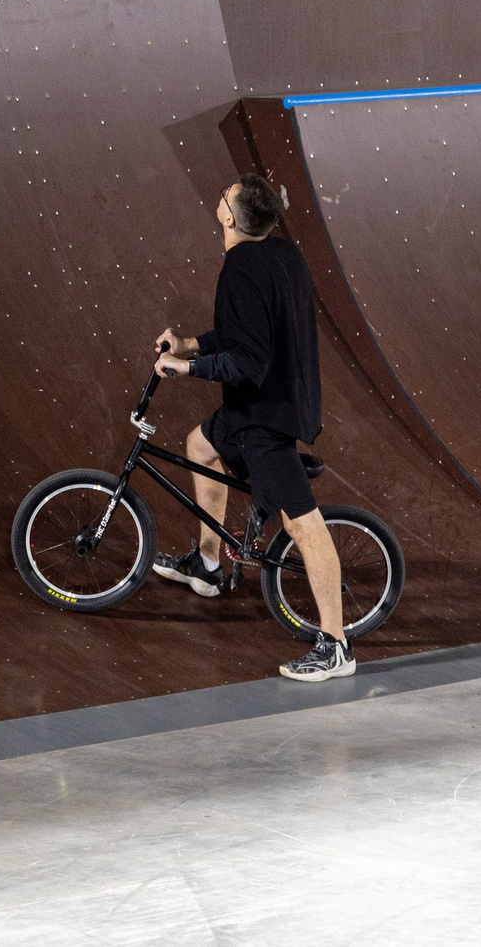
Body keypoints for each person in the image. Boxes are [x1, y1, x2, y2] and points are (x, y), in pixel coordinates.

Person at [149, 173, 355, 682]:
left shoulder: (240, 268)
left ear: (228, 215)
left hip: (265, 417)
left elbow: (248, 361)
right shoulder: (281, 254)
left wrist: (187, 369)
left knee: (303, 526)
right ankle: (208, 566)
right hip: (272, 404)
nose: (219, 197)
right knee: (201, 445)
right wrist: (192, 345)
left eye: (224, 195)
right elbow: (248, 331)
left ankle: (336, 646)